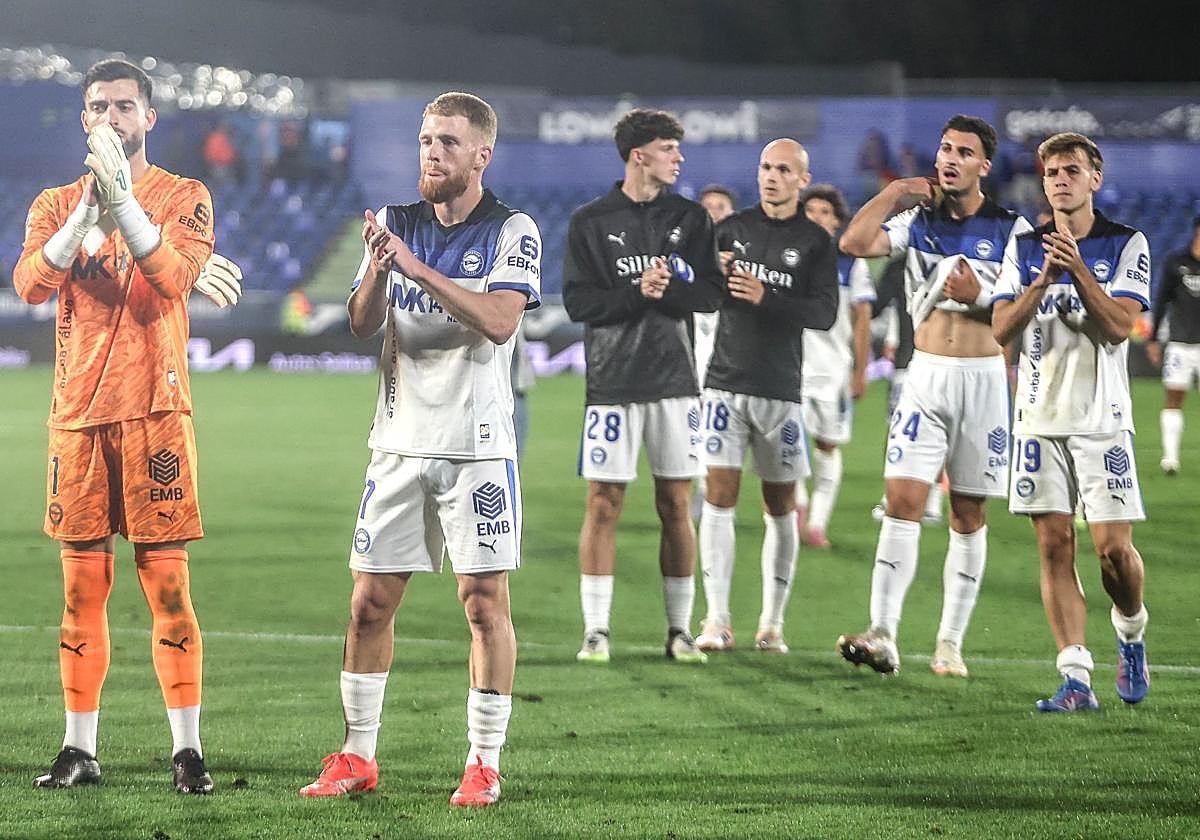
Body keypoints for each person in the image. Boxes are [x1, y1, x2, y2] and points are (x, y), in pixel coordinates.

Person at [298, 92, 541, 804]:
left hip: (476, 448)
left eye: (448, 143)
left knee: (483, 605)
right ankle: (357, 755)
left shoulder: (511, 228)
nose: (432, 153)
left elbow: (500, 320)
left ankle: (484, 762)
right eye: (426, 140)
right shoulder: (396, 222)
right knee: (368, 604)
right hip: (398, 445)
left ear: (481, 156)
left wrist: (414, 268)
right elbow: (360, 322)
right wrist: (380, 267)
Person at [14, 59, 239, 793]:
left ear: (149, 117)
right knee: (81, 593)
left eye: (124, 106)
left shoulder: (184, 195)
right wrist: (88, 212)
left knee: (167, 587)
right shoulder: (54, 204)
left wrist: (121, 201)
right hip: (76, 419)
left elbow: (171, 278)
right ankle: (79, 749)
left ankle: (188, 752)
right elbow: (29, 284)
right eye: (98, 107)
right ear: (84, 119)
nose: (111, 118)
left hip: (155, 413)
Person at [834, 115, 1032, 678]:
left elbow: (1021, 311)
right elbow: (853, 242)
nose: (950, 159)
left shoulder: (1012, 229)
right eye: (945, 149)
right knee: (901, 501)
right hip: (924, 376)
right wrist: (896, 189)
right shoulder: (917, 220)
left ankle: (950, 643)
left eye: (964, 152)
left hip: (984, 378)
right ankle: (883, 634)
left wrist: (979, 296)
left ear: (984, 166)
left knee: (968, 512)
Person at [993, 132, 1151, 712]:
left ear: (1094, 179)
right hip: (1038, 419)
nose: (1060, 180)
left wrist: (1078, 270)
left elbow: (1119, 327)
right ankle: (1076, 677)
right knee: (1054, 545)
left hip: (1102, 420)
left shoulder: (1125, 242)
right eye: (1052, 172)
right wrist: (1041, 279)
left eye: (1072, 171)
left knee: (1113, 553)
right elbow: (1001, 330)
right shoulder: (1023, 248)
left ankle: (1130, 629)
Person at [562, 108, 725, 665]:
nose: (679, 158)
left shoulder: (692, 218)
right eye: (668, 148)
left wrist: (668, 289)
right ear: (639, 156)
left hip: (676, 383)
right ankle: (596, 631)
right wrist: (638, 292)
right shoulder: (590, 221)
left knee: (676, 505)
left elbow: (711, 295)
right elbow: (579, 302)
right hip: (611, 384)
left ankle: (679, 631)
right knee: (603, 504)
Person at [694, 140, 838, 653]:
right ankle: (716, 620)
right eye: (765, 167)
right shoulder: (730, 230)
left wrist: (767, 296)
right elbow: (702, 298)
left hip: (780, 391)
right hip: (724, 384)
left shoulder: (815, 241)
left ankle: (772, 624)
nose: (771, 176)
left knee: (779, 506)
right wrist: (710, 275)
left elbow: (824, 314)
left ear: (802, 179)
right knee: (718, 497)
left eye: (782, 169)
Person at [794, 184, 876, 548]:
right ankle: (798, 505)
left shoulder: (851, 262)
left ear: (836, 221)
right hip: (790, 367)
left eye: (824, 212)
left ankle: (817, 522)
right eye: (809, 211)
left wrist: (860, 370)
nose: (816, 217)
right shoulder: (784, 256)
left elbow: (862, 319)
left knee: (827, 444)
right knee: (787, 442)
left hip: (833, 371)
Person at [690, 184, 738, 520]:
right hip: (693, 355)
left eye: (720, 206)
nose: (714, 212)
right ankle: (702, 486)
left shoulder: (746, 255)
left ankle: (714, 490)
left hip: (733, 358)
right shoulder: (686, 253)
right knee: (695, 427)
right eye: (707, 206)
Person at [1147, 215, 1200, 474]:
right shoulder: (1176, 262)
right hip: (1180, 342)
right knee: (1174, 397)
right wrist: (1154, 338)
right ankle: (1170, 458)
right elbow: (1161, 300)